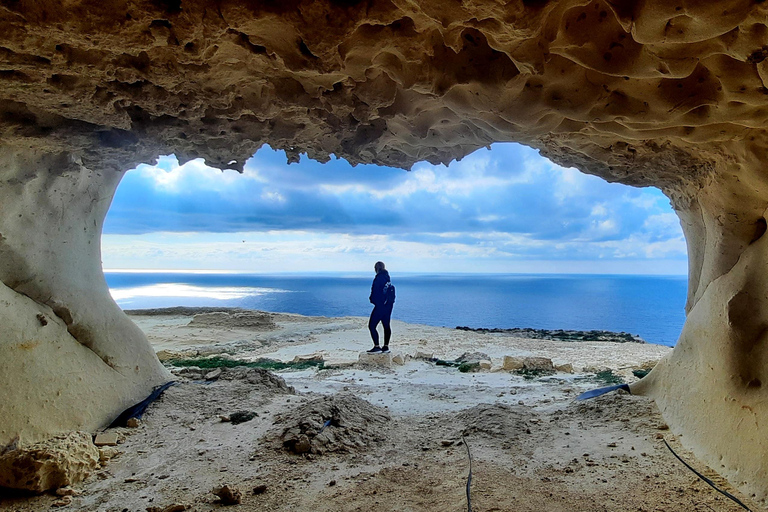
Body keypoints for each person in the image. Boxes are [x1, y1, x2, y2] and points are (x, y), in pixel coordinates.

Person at [367, 261, 395, 353]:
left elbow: (375, 292)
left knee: (372, 326)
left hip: (380, 306)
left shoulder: (378, 278)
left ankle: (377, 346)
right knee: (386, 325)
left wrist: (373, 300)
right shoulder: (387, 278)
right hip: (389, 306)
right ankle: (386, 346)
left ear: (376, 269)